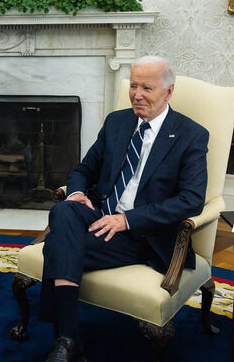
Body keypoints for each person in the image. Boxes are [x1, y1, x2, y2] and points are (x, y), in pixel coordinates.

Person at [40, 56, 208, 361]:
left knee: (57, 243)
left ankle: (65, 339)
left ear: (169, 92)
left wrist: (127, 220)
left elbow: (191, 199)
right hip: (101, 216)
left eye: (147, 88)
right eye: (133, 85)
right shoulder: (117, 122)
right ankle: (69, 337)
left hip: (144, 235)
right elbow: (84, 169)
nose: (137, 94)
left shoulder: (191, 135)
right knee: (64, 210)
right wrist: (78, 193)